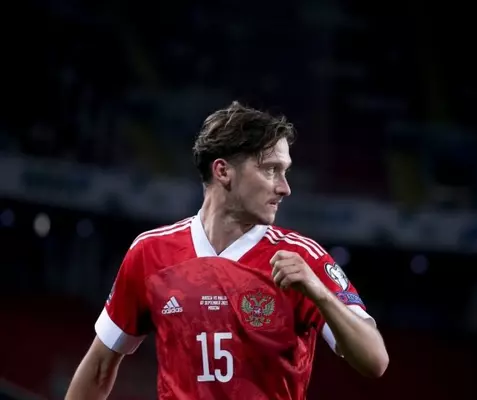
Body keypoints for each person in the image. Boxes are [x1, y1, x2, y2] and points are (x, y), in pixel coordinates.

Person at [66, 101, 389, 400]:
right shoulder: (150, 253)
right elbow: (99, 368)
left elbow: (375, 360)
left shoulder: (302, 259)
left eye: (285, 171)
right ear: (222, 171)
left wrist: (318, 292)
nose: (284, 187)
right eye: (270, 169)